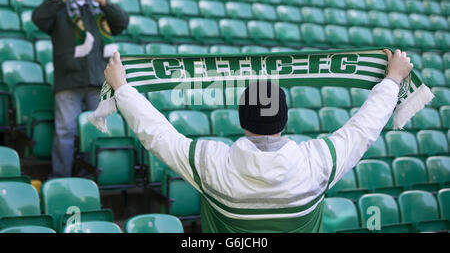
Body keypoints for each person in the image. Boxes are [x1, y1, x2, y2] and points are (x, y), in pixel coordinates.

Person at [104, 49, 413, 232]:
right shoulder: (319, 162)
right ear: (285, 119)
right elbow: (364, 128)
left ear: (241, 121)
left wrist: (123, 88)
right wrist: (393, 80)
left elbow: (157, 134)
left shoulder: (211, 164)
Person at [32, 0, 129, 178]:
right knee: (65, 132)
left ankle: (90, 179)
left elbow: (122, 23)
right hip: (69, 81)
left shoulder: (99, 11)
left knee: (94, 133)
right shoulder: (59, 9)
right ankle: (61, 179)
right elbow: (38, 18)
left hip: (98, 81)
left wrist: (104, 2)